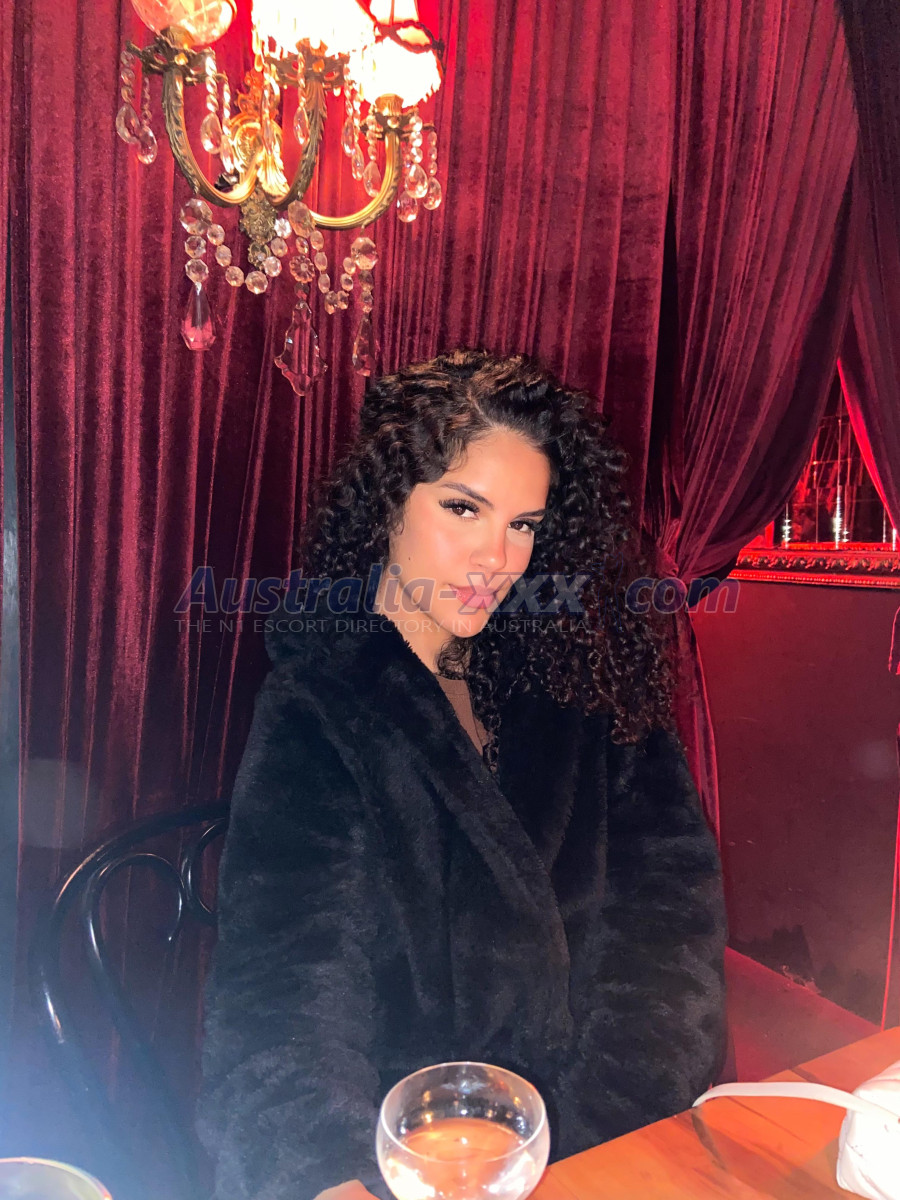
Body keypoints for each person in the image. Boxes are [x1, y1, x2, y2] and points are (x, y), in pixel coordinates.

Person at [196, 349, 728, 1200]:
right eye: (463, 507)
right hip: (410, 1152)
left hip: (603, 1133)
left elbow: (669, 922)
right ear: (387, 503)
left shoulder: (579, 671)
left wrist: (590, 1134)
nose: (498, 558)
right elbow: (282, 1000)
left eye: (524, 524)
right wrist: (332, 1173)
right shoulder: (320, 705)